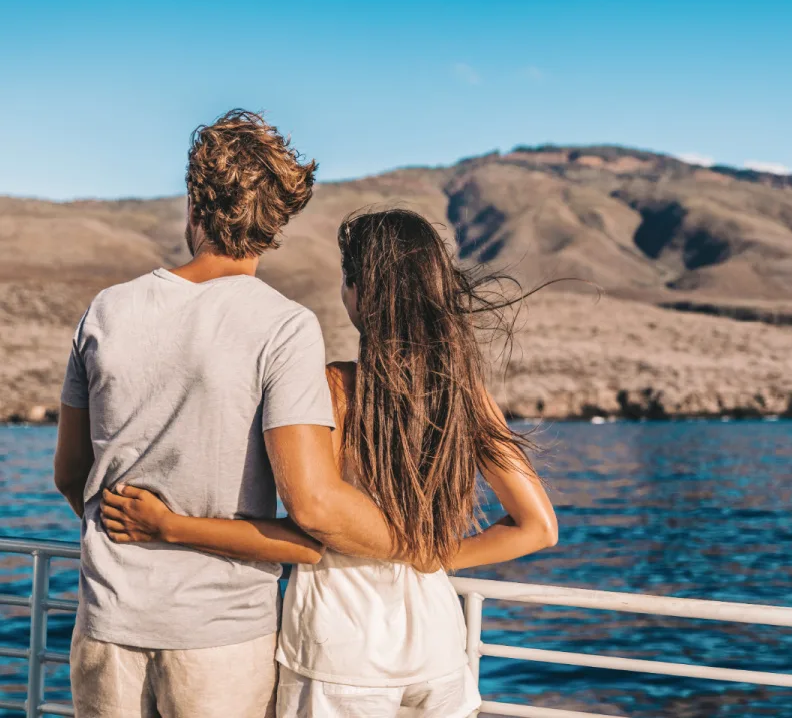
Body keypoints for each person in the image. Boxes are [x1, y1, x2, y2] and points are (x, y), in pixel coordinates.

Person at [100, 208, 559, 717]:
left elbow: (310, 534)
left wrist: (170, 526)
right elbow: (537, 528)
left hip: (338, 658)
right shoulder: (465, 397)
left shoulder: (331, 388)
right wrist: (432, 554)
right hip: (438, 655)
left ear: (359, 290)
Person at [54, 112, 408, 718]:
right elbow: (313, 506)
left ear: (194, 202)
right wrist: (412, 545)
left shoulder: (106, 310)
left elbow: (70, 474)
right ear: (277, 225)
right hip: (222, 637)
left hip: (108, 622)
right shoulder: (285, 327)